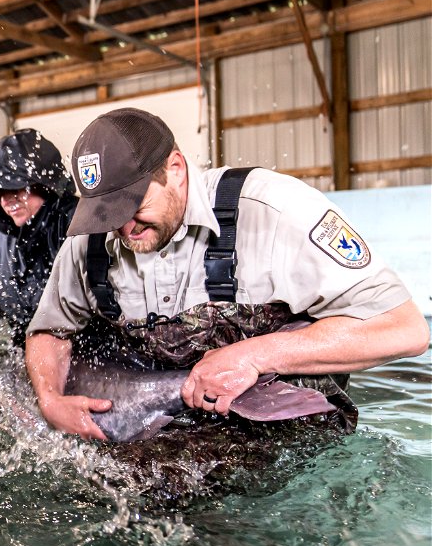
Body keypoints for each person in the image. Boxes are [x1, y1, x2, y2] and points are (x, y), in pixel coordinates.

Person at [24, 108, 429, 441]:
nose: (122, 227)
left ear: (176, 168)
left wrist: (254, 355)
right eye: (106, 213)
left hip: (285, 425)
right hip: (176, 426)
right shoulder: (90, 241)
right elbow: (49, 330)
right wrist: (49, 398)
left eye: (132, 205)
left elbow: (404, 329)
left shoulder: (276, 210)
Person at [0, 129, 78, 348]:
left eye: (16, 188)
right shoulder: (1, 237)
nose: (7, 200)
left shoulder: (76, 223)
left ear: (45, 184)